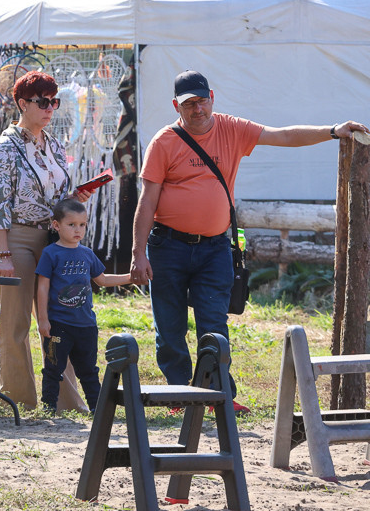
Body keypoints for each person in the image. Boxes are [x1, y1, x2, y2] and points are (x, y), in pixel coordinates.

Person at [131, 69, 370, 411]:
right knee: (168, 324)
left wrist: (332, 131)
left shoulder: (232, 128)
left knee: (213, 322)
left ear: (212, 97)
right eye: (189, 104)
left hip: (214, 247)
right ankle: (180, 393)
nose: (197, 109)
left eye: (202, 101)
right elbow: (147, 201)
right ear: (176, 106)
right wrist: (138, 253)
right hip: (168, 246)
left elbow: (284, 136)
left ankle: (219, 396)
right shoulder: (164, 142)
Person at [0, 70, 94, 413]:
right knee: (15, 321)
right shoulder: (3, 147)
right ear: (20, 104)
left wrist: (76, 197)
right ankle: (17, 399)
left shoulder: (55, 145)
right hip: (12, 235)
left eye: (54, 101)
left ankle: (65, 402)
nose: (49, 108)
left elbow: (55, 198)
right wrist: (2, 253)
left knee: (58, 319)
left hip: (49, 237)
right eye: (41, 101)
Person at [36, 199, 131, 413]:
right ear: (56, 225)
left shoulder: (87, 254)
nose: (78, 229)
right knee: (53, 368)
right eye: (71, 224)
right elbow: (42, 287)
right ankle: (48, 409)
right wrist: (43, 319)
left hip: (86, 325)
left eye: (82, 224)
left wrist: (130, 277)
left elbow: (103, 280)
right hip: (59, 324)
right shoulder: (51, 253)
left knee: (89, 370)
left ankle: (98, 411)